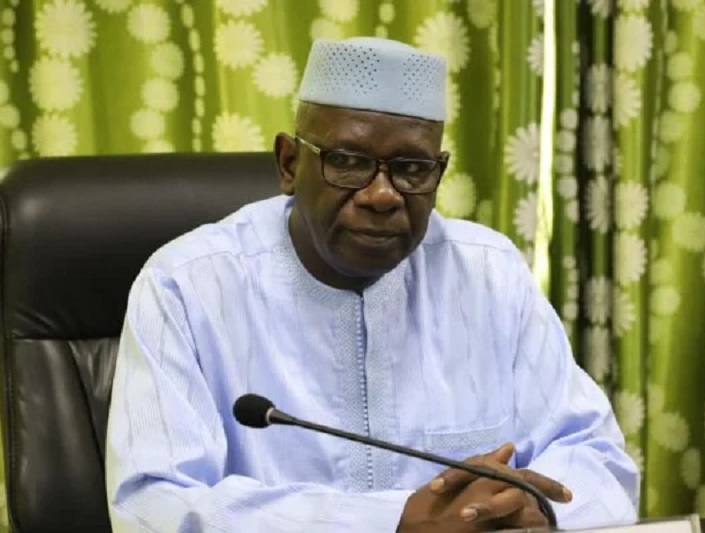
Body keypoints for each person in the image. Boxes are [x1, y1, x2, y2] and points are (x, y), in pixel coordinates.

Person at [106, 37, 639, 532]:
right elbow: (150, 503)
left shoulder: (489, 275)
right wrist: (391, 523)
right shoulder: (187, 286)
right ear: (289, 164)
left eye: (412, 168)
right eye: (348, 161)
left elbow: (599, 459)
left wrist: (537, 509)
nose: (382, 195)